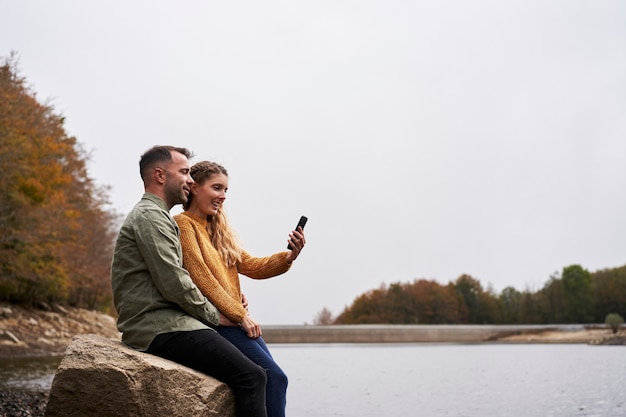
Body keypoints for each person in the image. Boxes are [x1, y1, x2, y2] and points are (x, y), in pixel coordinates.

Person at [110, 146, 268, 417]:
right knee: (252, 377)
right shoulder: (150, 217)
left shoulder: (159, 217)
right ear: (160, 175)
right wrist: (216, 316)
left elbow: (192, 275)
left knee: (259, 373)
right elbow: (174, 281)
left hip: (171, 321)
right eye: (184, 172)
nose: (190, 180)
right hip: (158, 327)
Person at [173, 160, 306, 417]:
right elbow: (202, 278)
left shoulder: (216, 230)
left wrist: (289, 257)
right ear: (196, 187)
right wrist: (240, 315)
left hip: (234, 321)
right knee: (274, 378)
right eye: (217, 188)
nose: (223, 196)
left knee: (277, 380)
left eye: (226, 191)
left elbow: (253, 266)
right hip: (219, 323)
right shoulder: (183, 225)